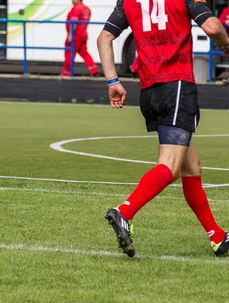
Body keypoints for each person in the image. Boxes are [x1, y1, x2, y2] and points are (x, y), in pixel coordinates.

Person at [97, 0, 229, 257]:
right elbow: (212, 27)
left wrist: (113, 80)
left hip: (150, 91)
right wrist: (226, 43)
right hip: (177, 87)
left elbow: (104, 38)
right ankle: (124, 212)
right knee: (169, 166)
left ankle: (217, 236)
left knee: (192, 167)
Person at [61, 0, 99, 77]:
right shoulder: (86, 9)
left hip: (75, 35)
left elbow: (73, 23)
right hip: (83, 35)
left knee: (69, 53)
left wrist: (70, 34)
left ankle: (67, 72)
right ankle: (94, 70)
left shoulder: (76, 8)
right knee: (84, 53)